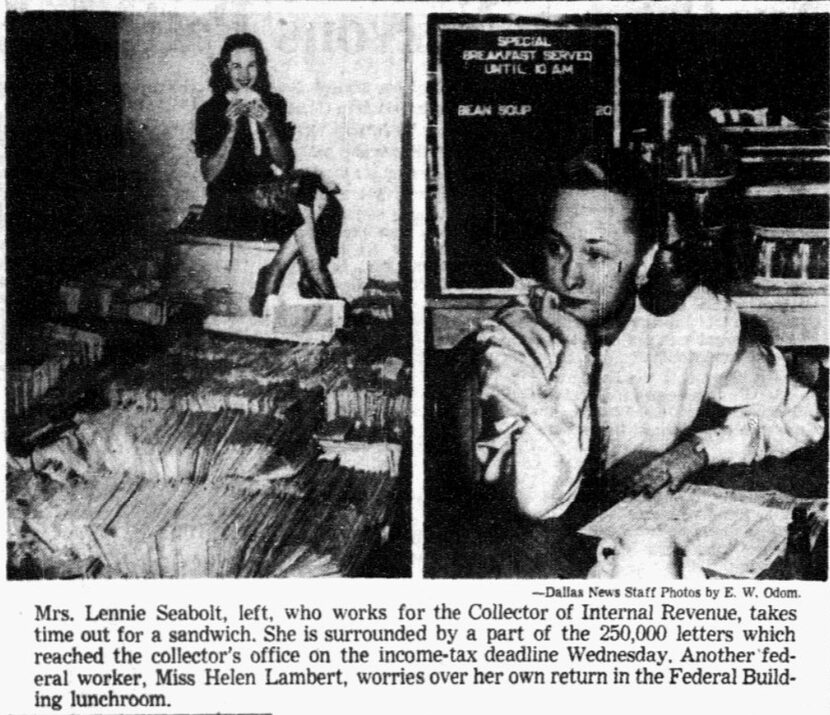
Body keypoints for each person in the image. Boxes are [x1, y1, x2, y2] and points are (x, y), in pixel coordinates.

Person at [475, 149, 825, 520]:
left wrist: (704, 448)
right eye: (556, 247)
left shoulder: (696, 321)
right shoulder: (515, 338)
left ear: (644, 262)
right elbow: (537, 499)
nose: (569, 276)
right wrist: (576, 350)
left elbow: (800, 416)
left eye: (596, 255)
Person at [193, 32, 337, 315]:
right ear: (225, 69)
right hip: (229, 205)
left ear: (261, 67)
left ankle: (274, 271)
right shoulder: (210, 111)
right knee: (310, 195)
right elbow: (209, 175)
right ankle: (316, 276)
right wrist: (231, 128)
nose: (245, 74)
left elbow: (284, 164)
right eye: (237, 66)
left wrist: (268, 124)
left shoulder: (273, 103)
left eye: (252, 65)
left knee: (322, 199)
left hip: (266, 200)